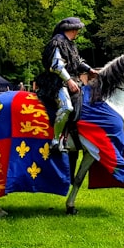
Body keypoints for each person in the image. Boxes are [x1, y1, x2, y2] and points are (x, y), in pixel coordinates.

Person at [36, 17, 98, 149]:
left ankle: (71, 135)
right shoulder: (57, 42)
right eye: (77, 30)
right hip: (56, 82)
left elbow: (76, 62)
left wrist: (89, 69)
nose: (78, 32)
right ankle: (55, 140)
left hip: (70, 80)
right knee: (67, 107)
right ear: (72, 30)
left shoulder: (70, 44)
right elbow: (56, 66)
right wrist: (69, 80)